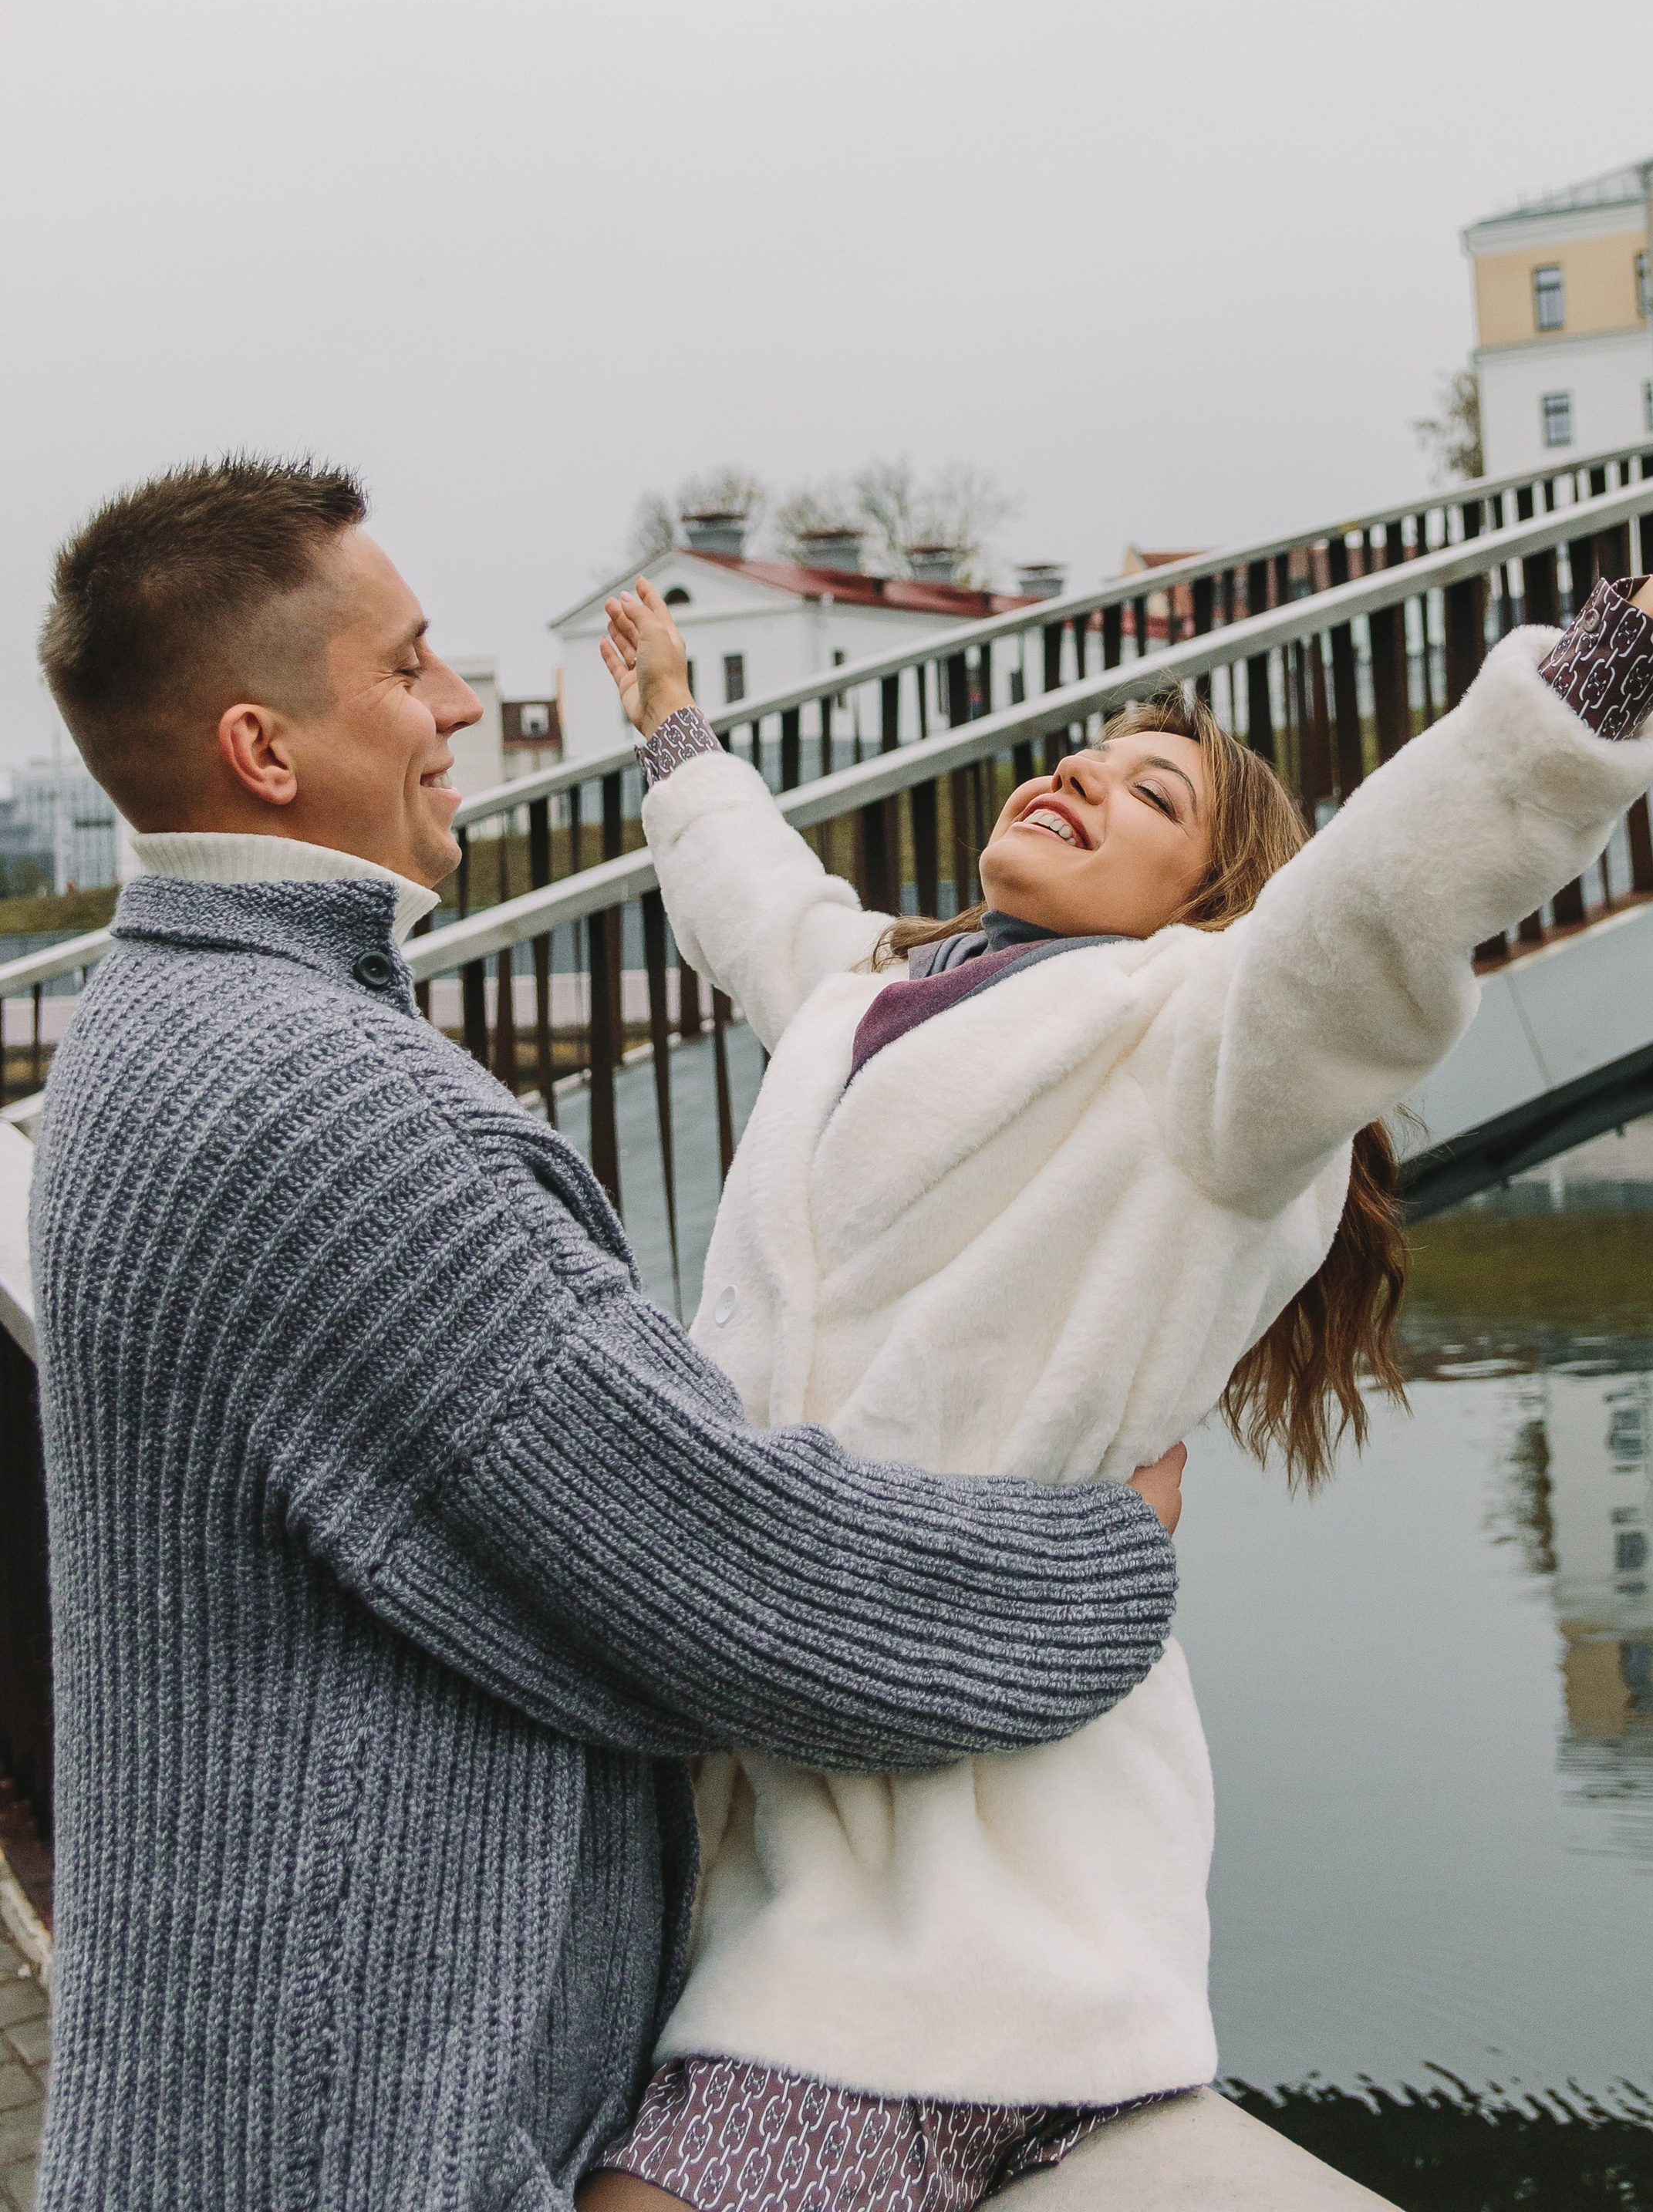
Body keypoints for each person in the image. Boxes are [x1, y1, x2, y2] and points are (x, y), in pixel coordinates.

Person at [581, 336, 1653, 2212]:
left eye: (1152, 798)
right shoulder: (869, 993)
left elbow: (1386, 892)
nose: (1082, 774)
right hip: (764, 1811)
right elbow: (755, 899)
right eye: (1087, 755)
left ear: (1207, 908)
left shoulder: (1210, 1058)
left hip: (964, 1898)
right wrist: (669, 726)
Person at [26, 460, 1193, 2212]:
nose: (461, 705)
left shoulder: (153, 1018)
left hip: (226, 2111)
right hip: (347, 2141)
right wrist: (1110, 1550)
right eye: (411, 667)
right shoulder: (326, 1113)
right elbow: (737, 1584)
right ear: (265, 753)